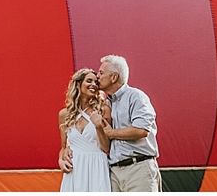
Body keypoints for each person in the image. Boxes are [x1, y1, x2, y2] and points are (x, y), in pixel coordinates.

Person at [97, 55, 160, 192]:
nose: (97, 77)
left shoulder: (136, 97)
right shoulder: (106, 104)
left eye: (101, 73)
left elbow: (141, 130)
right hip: (114, 171)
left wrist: (111, 133)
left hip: (138, 168)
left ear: (114, 77)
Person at [58, 68, 112, 192]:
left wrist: (98, 125)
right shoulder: (64, 114)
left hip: (97, 166)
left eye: (96, 83)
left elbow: (106, 147)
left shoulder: (103, 110)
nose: (93, 85)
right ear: (78, 84)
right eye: (89, 81)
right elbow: (63, 147)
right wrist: (61, 160)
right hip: (74, 169)